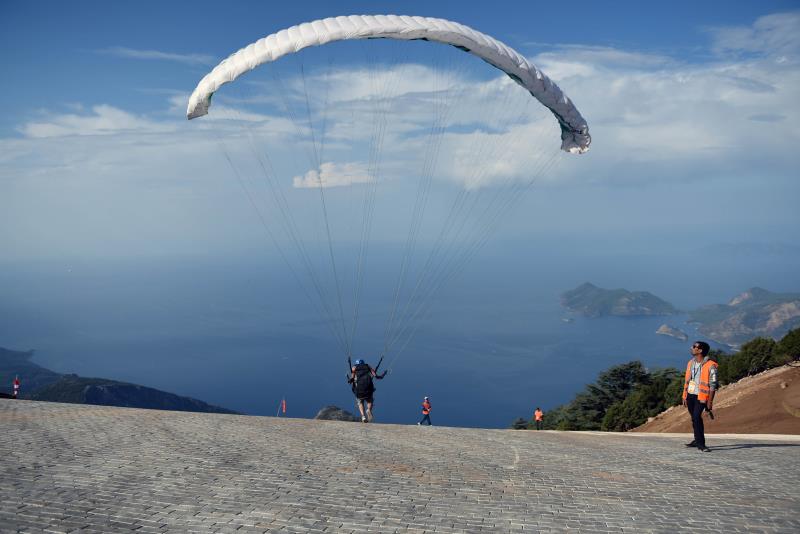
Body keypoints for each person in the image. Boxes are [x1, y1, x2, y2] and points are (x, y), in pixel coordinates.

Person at [682, 341, 718, 452]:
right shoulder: (690, 363)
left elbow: (713, 385)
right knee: (694, 418)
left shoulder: (711, 365)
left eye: (694, 347)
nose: (692, 348)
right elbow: (687, 381)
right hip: (690, 395)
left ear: (700, 350)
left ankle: (701, 444)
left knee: (697, 417)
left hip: (701, 396)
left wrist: (710, 402)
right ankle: (696, 440)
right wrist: (684, 396)